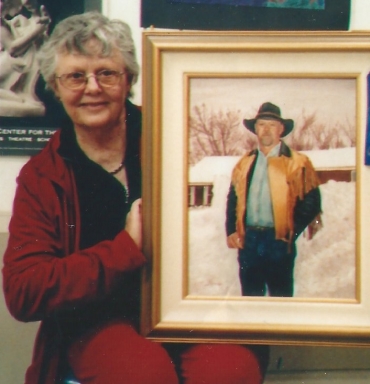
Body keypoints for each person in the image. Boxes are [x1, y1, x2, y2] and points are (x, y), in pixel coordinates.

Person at [2, 12, 269, 384]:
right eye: (76, 76)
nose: (92, 87)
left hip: (191, 311)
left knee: (231, 371)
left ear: (128, 79)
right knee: (142, 375)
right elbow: (24, 292)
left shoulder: (176, 136)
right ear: (54, 86)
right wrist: (125, 249)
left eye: (106, 73)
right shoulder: (43, 176)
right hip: (97, 322)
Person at [226, 102, 322, 297]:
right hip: (249, 242)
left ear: (281, 129)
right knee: (251, 299)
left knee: (281, 300)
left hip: (277, 242)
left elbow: (312, 203)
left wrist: (290, 230)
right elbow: (233, 198)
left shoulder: (297, 163)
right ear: (255, 129)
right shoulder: (245, 163)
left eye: (272, 124)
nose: (266, 129)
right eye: (262, 124)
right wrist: (231, 230)